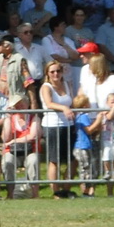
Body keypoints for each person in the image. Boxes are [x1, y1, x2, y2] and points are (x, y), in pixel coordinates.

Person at [38, 59, 75, 198]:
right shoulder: (46, 87)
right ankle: (56, 192)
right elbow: (49, 103)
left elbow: (72, 101)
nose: (55, 74)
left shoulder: (66, 84)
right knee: (54, 160)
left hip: (69, 125)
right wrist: (64, 107)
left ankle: (66, 189)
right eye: (52, 71)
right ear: (47, 73)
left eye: (58, 71)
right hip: (53, 126)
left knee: (73, 159)